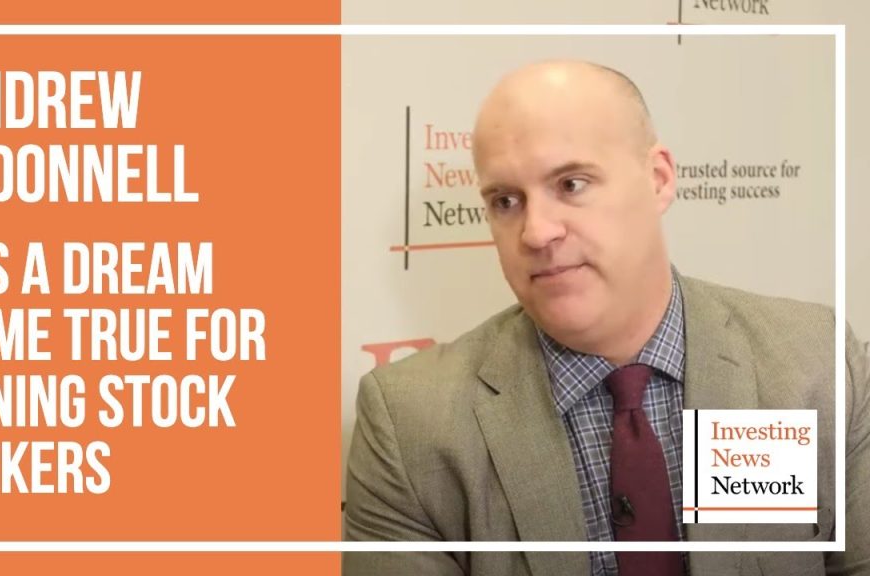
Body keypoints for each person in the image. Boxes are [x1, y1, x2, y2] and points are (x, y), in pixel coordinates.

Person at [343, 61, 870, 576]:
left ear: (658, 179)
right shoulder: (411, 424)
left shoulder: (814, 363)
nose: (536, 231)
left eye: (571, 184)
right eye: (506, 200)